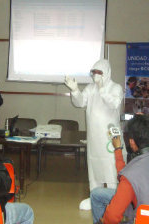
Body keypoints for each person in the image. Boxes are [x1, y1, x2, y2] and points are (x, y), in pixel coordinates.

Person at [65, 59, 126, 209]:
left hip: (110, 139)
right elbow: (80, 103)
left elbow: (114, 104)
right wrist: (75, 90)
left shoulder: (115, 88)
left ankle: (113, 199)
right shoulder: (90, 88)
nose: (95, 76)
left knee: (110, 168)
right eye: (94, 72)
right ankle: (95, 198)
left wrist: (102, 88)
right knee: (94, 168)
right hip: (93, 138)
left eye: (99, 73)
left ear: (106, 73)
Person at [96, 115, 149, 224]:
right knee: (98, 194)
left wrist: (104, 221)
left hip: (147, 218)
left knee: (97, 198)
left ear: (131, 142)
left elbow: (112, 219)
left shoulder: (130, 174)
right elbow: (127, 179)